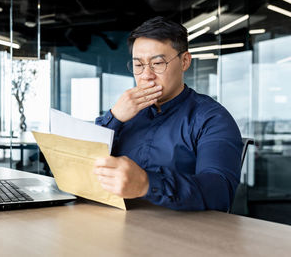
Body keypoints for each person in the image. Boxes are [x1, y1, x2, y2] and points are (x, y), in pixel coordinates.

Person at [93, 16, 243, 211]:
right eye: (138, 65)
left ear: (185, 61)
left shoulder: (212, 118)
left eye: (157, 63)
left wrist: (148, 184)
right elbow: (83, 163)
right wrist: (114, 117)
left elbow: (219, 192)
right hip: (118, 222)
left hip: (182, 232)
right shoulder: (123, 113)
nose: (146, 75)